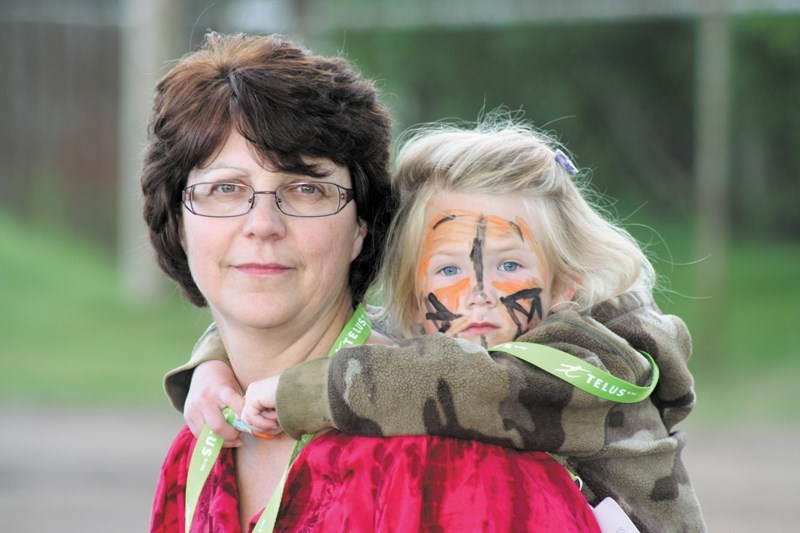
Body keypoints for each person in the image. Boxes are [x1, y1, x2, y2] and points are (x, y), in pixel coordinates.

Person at [145, 32, 600, 532]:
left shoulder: (460, 458)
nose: (263, 224)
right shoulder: (196, 456)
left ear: (362, 227)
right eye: (225, 189)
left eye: (306, 188)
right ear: (179, 223)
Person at [171, 118, 707, 532]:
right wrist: (215, 360)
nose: (478, 291)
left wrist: (307, 390)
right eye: (448, 269)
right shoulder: (439, 342)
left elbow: (472, 382)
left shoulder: (584, 362)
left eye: (510, 266)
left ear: (565, 285)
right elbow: (362, 334)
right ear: (409, 291)